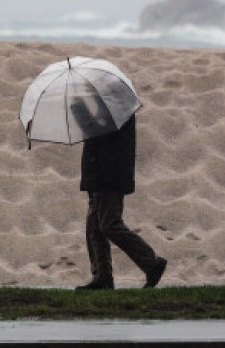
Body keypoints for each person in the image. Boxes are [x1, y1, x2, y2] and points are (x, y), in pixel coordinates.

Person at [71, 98, 167, 290]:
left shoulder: (118, 108)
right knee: (94, 227)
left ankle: (152, 262)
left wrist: (79, 110)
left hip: (109, 176)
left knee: (109, 224)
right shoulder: (108, 107)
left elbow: (99, 135)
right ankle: (102, 276)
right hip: (100, 174)